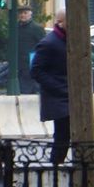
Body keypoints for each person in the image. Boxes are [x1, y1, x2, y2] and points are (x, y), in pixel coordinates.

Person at [29, 9, 71, 165]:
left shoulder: (66, 40)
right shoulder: (49, 43)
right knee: (62, 135)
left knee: (65, 135)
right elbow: (36, 71)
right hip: (59, 97)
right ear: (60, 22)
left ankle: (58, 166)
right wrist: (60, 88)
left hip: (66, 95)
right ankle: (55, 167)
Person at [15, 6, 45, 92]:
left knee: (30, 88)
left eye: (25, 13)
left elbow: (43, 45)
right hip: (18, 64)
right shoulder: (16, 27)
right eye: (21, 13)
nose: (22, 15)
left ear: (30, 14)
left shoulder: (36, 28)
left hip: (31, 63)